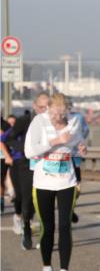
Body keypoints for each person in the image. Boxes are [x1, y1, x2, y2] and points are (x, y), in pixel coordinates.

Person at [24, 93, 86, 271]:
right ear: (48, 109)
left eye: (62, 113)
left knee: (65, 225)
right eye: (54, 113)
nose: (57, 117)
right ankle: (47, 270)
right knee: (47, 227)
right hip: (44, 182)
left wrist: (82, 149)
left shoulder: (75, 121)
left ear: (67, 110)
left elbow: (78, 144)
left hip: (66, 180)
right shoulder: (39, 122)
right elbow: (29, 151)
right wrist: (55, 141)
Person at [7, 93, 50, 250]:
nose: (44, 110)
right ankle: (26, 228)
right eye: (41, 107)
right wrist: (24, 150)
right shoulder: (25, 120)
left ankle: (44, 234)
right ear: (34, 105)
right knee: (26, 199)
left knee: (44, 199)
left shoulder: (53, 121)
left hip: (46, 165)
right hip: (26, 165)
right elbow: (8, 138)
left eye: (47, 107)